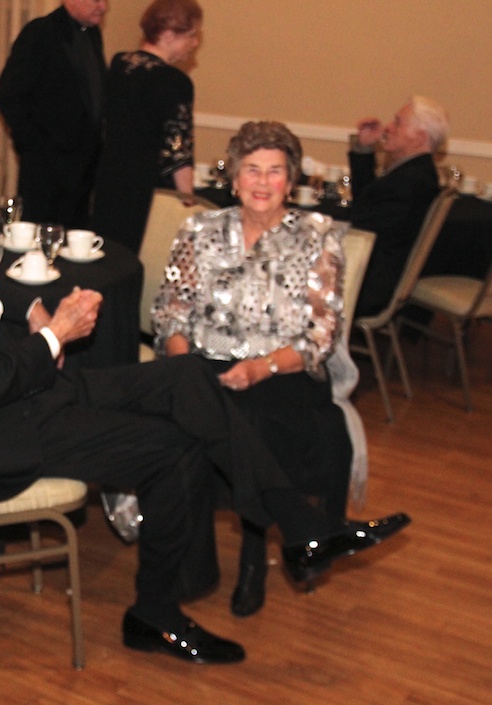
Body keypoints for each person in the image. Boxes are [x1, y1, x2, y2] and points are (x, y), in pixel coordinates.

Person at [0, 113, 410, 663]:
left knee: (185, 377)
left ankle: (302, 526)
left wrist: (33, 308)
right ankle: (156, 613)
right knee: (173, 447)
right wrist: (56, 338)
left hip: (19, 397)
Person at [152, 121, 360, 617]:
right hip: (204, 366)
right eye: (252, 170)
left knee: (256, 419)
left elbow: (320, 336)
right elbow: (169, 313)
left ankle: (251, 557)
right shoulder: (199, 231)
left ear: (291, 182)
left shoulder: (318, 238)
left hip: (282, 371)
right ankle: (286, 534)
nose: (262, 182)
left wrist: (261, 368)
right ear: (234, 178)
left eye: (275, 172)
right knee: (205, 414)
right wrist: (188, 372)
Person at [91, 0, 202, 254]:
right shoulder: (175, 82)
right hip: (146, 193)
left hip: (109, 183)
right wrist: (188, 204)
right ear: (168, 34)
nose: (195, 43)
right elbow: (178, 151)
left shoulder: (120, 64)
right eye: (192, 35)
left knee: (108, 256)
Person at [0, 1, 108, 229]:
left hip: (83, 170)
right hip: (46, 170)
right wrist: (33, 146)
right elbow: (9, 95)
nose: (103, 7)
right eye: (96, 0)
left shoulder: (93, 34)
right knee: (39, 243)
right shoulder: (40, 32)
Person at [348, 96, 449, 317]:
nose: (388, 128)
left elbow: (359, 222)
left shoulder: (407, 183)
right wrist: (365, 148)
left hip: (370, 284)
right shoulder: (418, 173)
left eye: (398, 123)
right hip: (380, 275)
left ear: (419, 137)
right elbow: (367, 202)